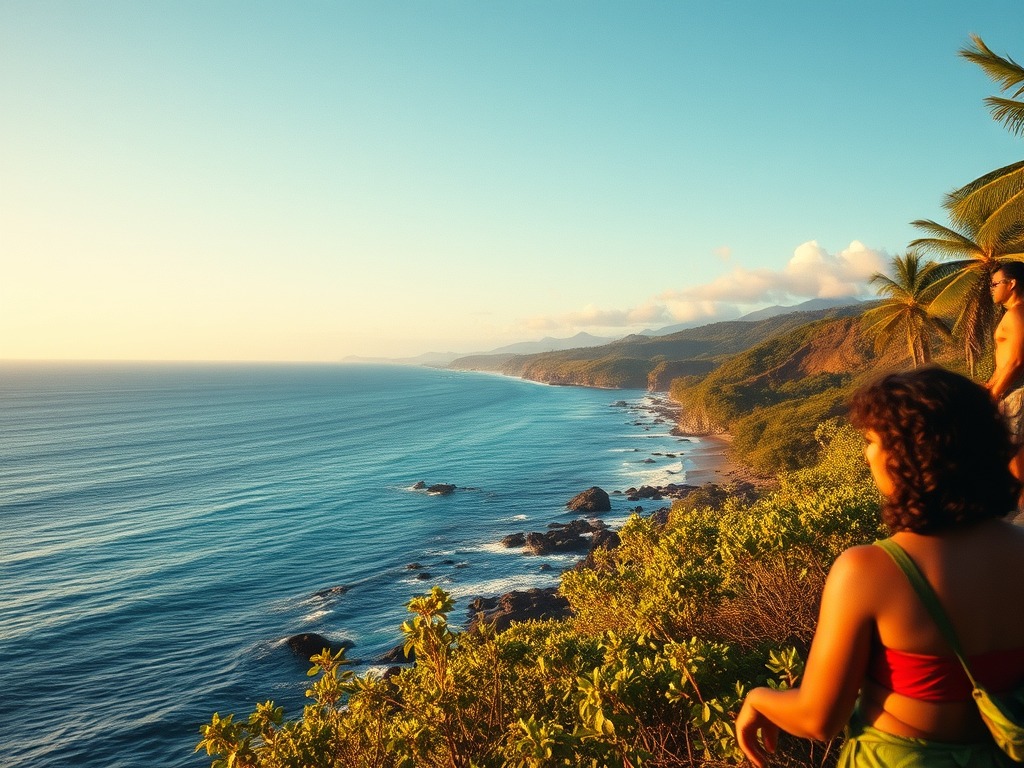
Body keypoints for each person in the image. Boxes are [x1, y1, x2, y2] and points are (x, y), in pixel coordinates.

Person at [735, 367, 1024, 768]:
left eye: (871, 441)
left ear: (905, 455)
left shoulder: (869, 570)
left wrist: (756, 699)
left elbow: (818, 719)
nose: (866, 454)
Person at [988, 261, 1024, 480]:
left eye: (995, 284)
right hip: (1011, 391)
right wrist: (989, 385)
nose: (991, 289)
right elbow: (1005, 362)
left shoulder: (1017, 313)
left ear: (1011, 284)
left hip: (1017, 392)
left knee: (1015, 457)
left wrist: (994, 393)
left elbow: (1017, 361)